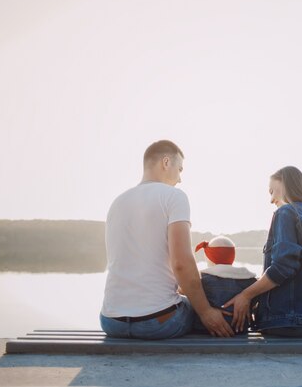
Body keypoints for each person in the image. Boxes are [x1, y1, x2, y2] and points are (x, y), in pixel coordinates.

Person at [100, 140, 234, 339]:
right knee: (216, 312)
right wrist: (206, 312)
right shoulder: (174, 197)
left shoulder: (117, 202)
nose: (180, 179)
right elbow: (181, 263)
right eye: (179, 169)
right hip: (156, 323)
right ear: (165, 162)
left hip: (111, 322)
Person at [223, 166, 302, 337]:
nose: (271, 199)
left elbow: (283, 268)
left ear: (285, 185)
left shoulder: (287, 212)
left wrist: (246, 295)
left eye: (272, 191)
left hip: (290, 322)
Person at [192, 236, 257, 334]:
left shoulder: (202, 279)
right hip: (239, 329)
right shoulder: (250, 280)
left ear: (209, 258)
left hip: (206, 328)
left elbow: (187, 292)